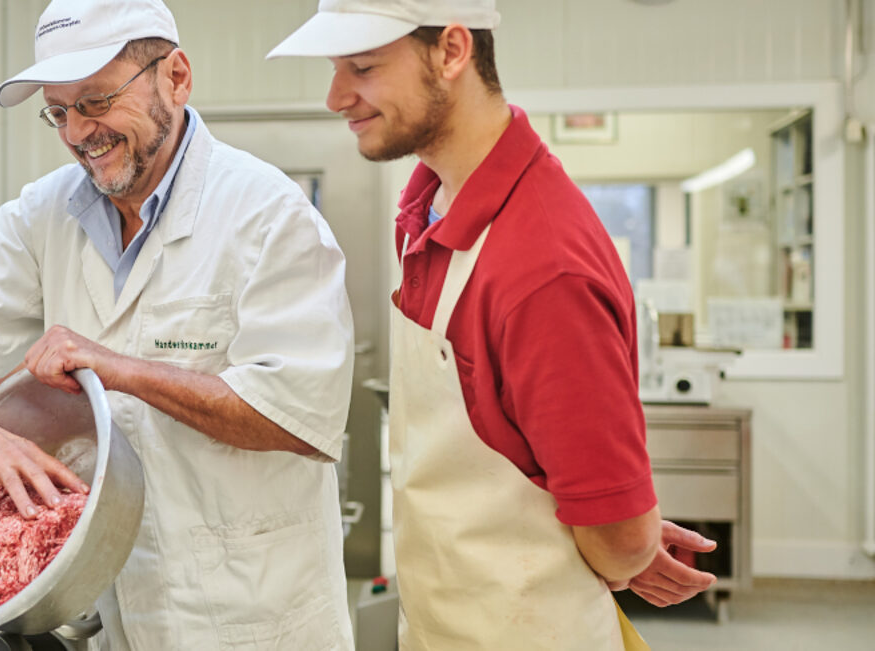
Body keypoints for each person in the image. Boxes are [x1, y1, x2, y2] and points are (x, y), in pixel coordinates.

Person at [0, 0, 356, 648]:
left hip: (254, 619)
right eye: (59, 111)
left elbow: (298, 415)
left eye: (98, 100)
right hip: (118, 620)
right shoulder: (45, 213)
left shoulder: (267, 215)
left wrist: (120, 369)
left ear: (177, 77)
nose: (79, 131)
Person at [269, 1, 718, 648]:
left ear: (452, 51)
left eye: (362, 67)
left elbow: (620, 545)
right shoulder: (431, 206)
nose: (337, 96)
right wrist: (612, 520)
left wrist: (626, 530)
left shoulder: (542, 266)